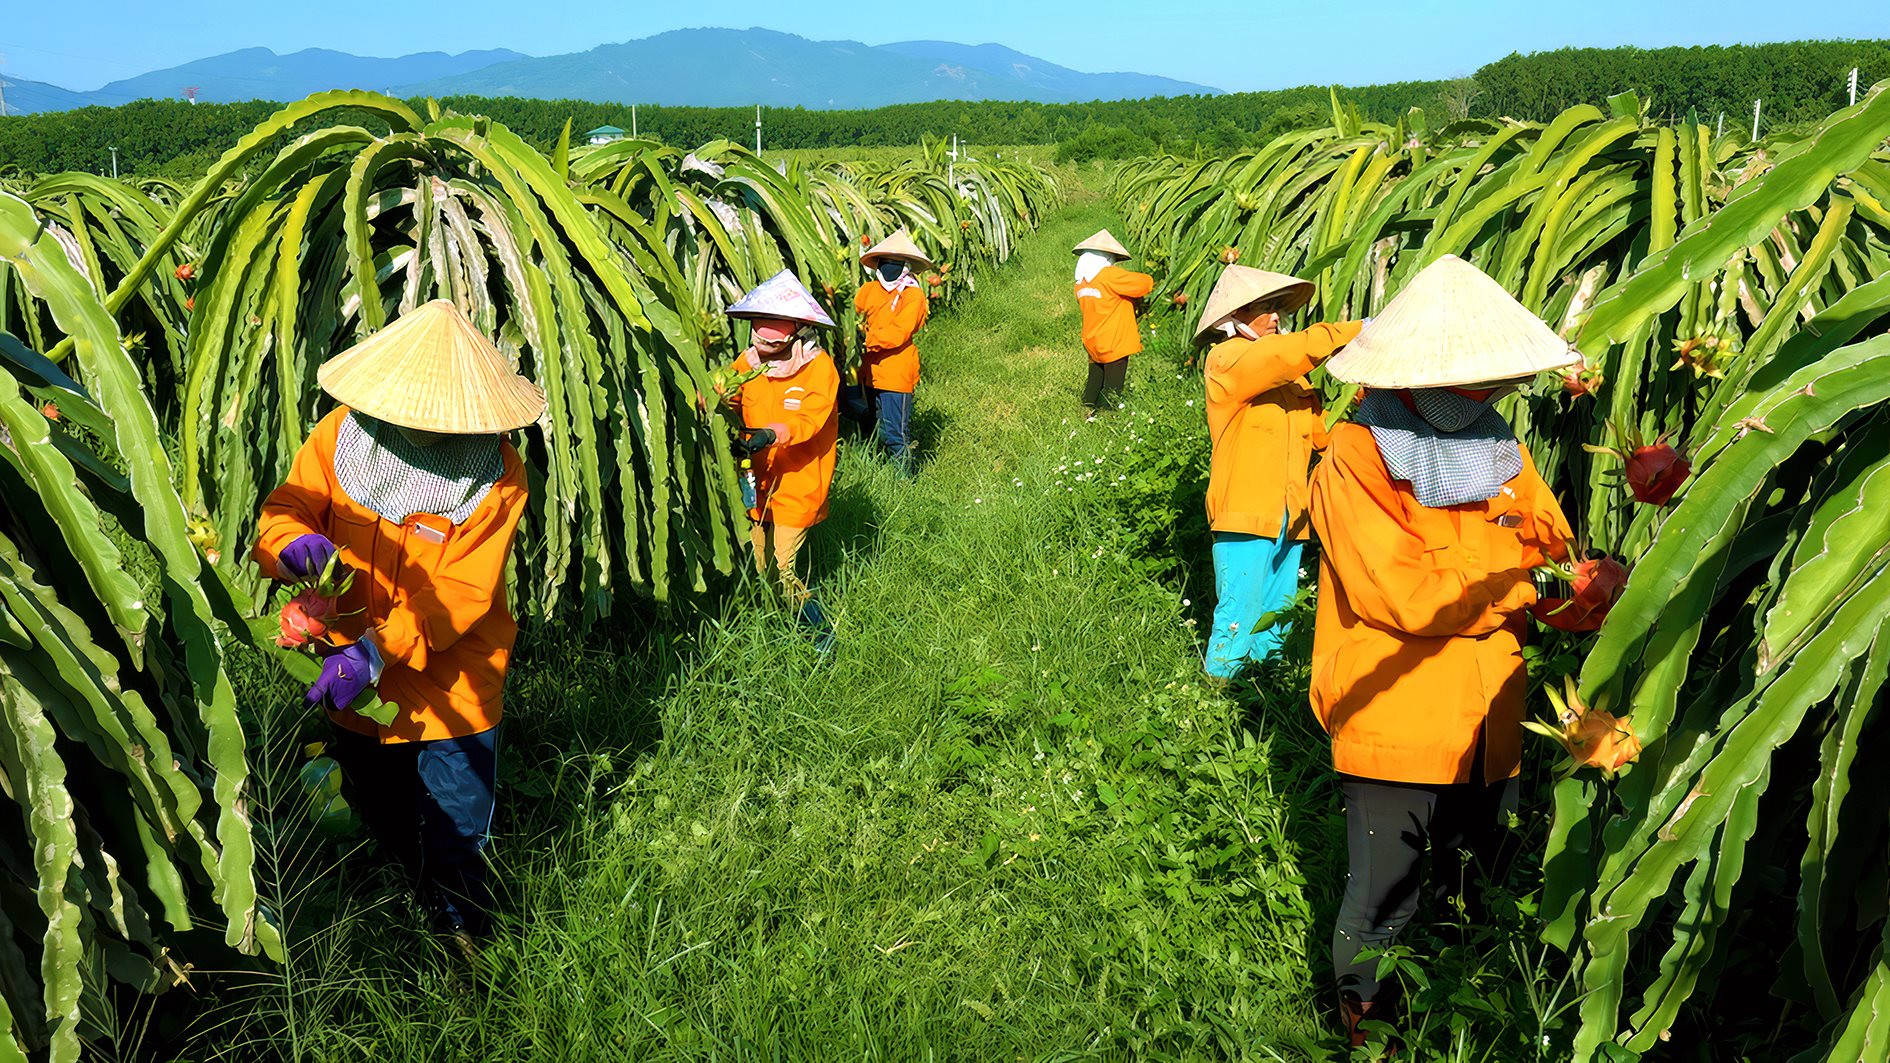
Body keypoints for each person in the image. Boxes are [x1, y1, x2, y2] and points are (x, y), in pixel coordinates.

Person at [1306, 255, 1583, 1047]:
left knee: (1477, 885)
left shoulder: (1502, 450)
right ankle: (1371, 1035)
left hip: (1492, 725)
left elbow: (1552, 547)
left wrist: (1575, 589)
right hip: (1396, 723)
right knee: (1381, 901)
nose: (1497, 392)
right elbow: (1409, 592)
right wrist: (1523, 581)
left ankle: (1466, 1026)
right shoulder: (1356, 457)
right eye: (1480, 378)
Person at [252, 299, 543, 947]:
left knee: (457, 831)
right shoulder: (339, 438)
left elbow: (458, 591)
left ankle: (467, 941)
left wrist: (377, 650)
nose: (422, 422)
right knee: (381, 805)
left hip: (451, 691)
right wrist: (293, 543)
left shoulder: (496, 478)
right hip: (358, 685)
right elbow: (289, 505)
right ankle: (409, 892)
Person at [1195, 264, 1362, 678]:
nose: (1274, 317)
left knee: (1278, 616)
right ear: (1233, 317)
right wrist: (1360, 329)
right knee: (1239, 613)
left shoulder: (1292, 383)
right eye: (1264, 308)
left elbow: (1318, 437)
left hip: (1290, 513)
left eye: (1276, 309)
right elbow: (1281, 355)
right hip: (1246, 511)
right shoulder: (1227, 360)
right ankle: (1215, 698)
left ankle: (1263, 692)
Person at [721, 269, 841, 652]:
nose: (766, 340)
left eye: (775, 332)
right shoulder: (746, 362)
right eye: (761, 330)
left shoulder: (818, 368)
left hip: (799, 481)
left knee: (781, 566)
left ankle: (822, 636)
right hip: (755, 480)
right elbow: (732, 400)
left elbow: (809, 419)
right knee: (758, 565)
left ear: (797, 329)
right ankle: (776, 629)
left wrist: (773, 433)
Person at [854, 228, 932, 475]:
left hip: (896, 372)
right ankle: (877, 470)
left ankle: (904, 482)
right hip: (868, 371)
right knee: (870, 427)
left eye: (896, 264)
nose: (889, 268)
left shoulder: (913, 295)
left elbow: (900, 332)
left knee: (896, 432)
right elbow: (853, 316)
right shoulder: (868, 290)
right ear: (877, 264)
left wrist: (865, 340)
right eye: (885, 262)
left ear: (906, 266)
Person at [1071, 229, 1153, 415]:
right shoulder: (1109, 276)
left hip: (1092, 339)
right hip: (1114, 340)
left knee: (1095, 379)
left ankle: (1085, 410)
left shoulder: (1081, 283)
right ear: (1105, 258)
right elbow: (1144, 284)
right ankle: (1106, 418)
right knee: (1113, 386)